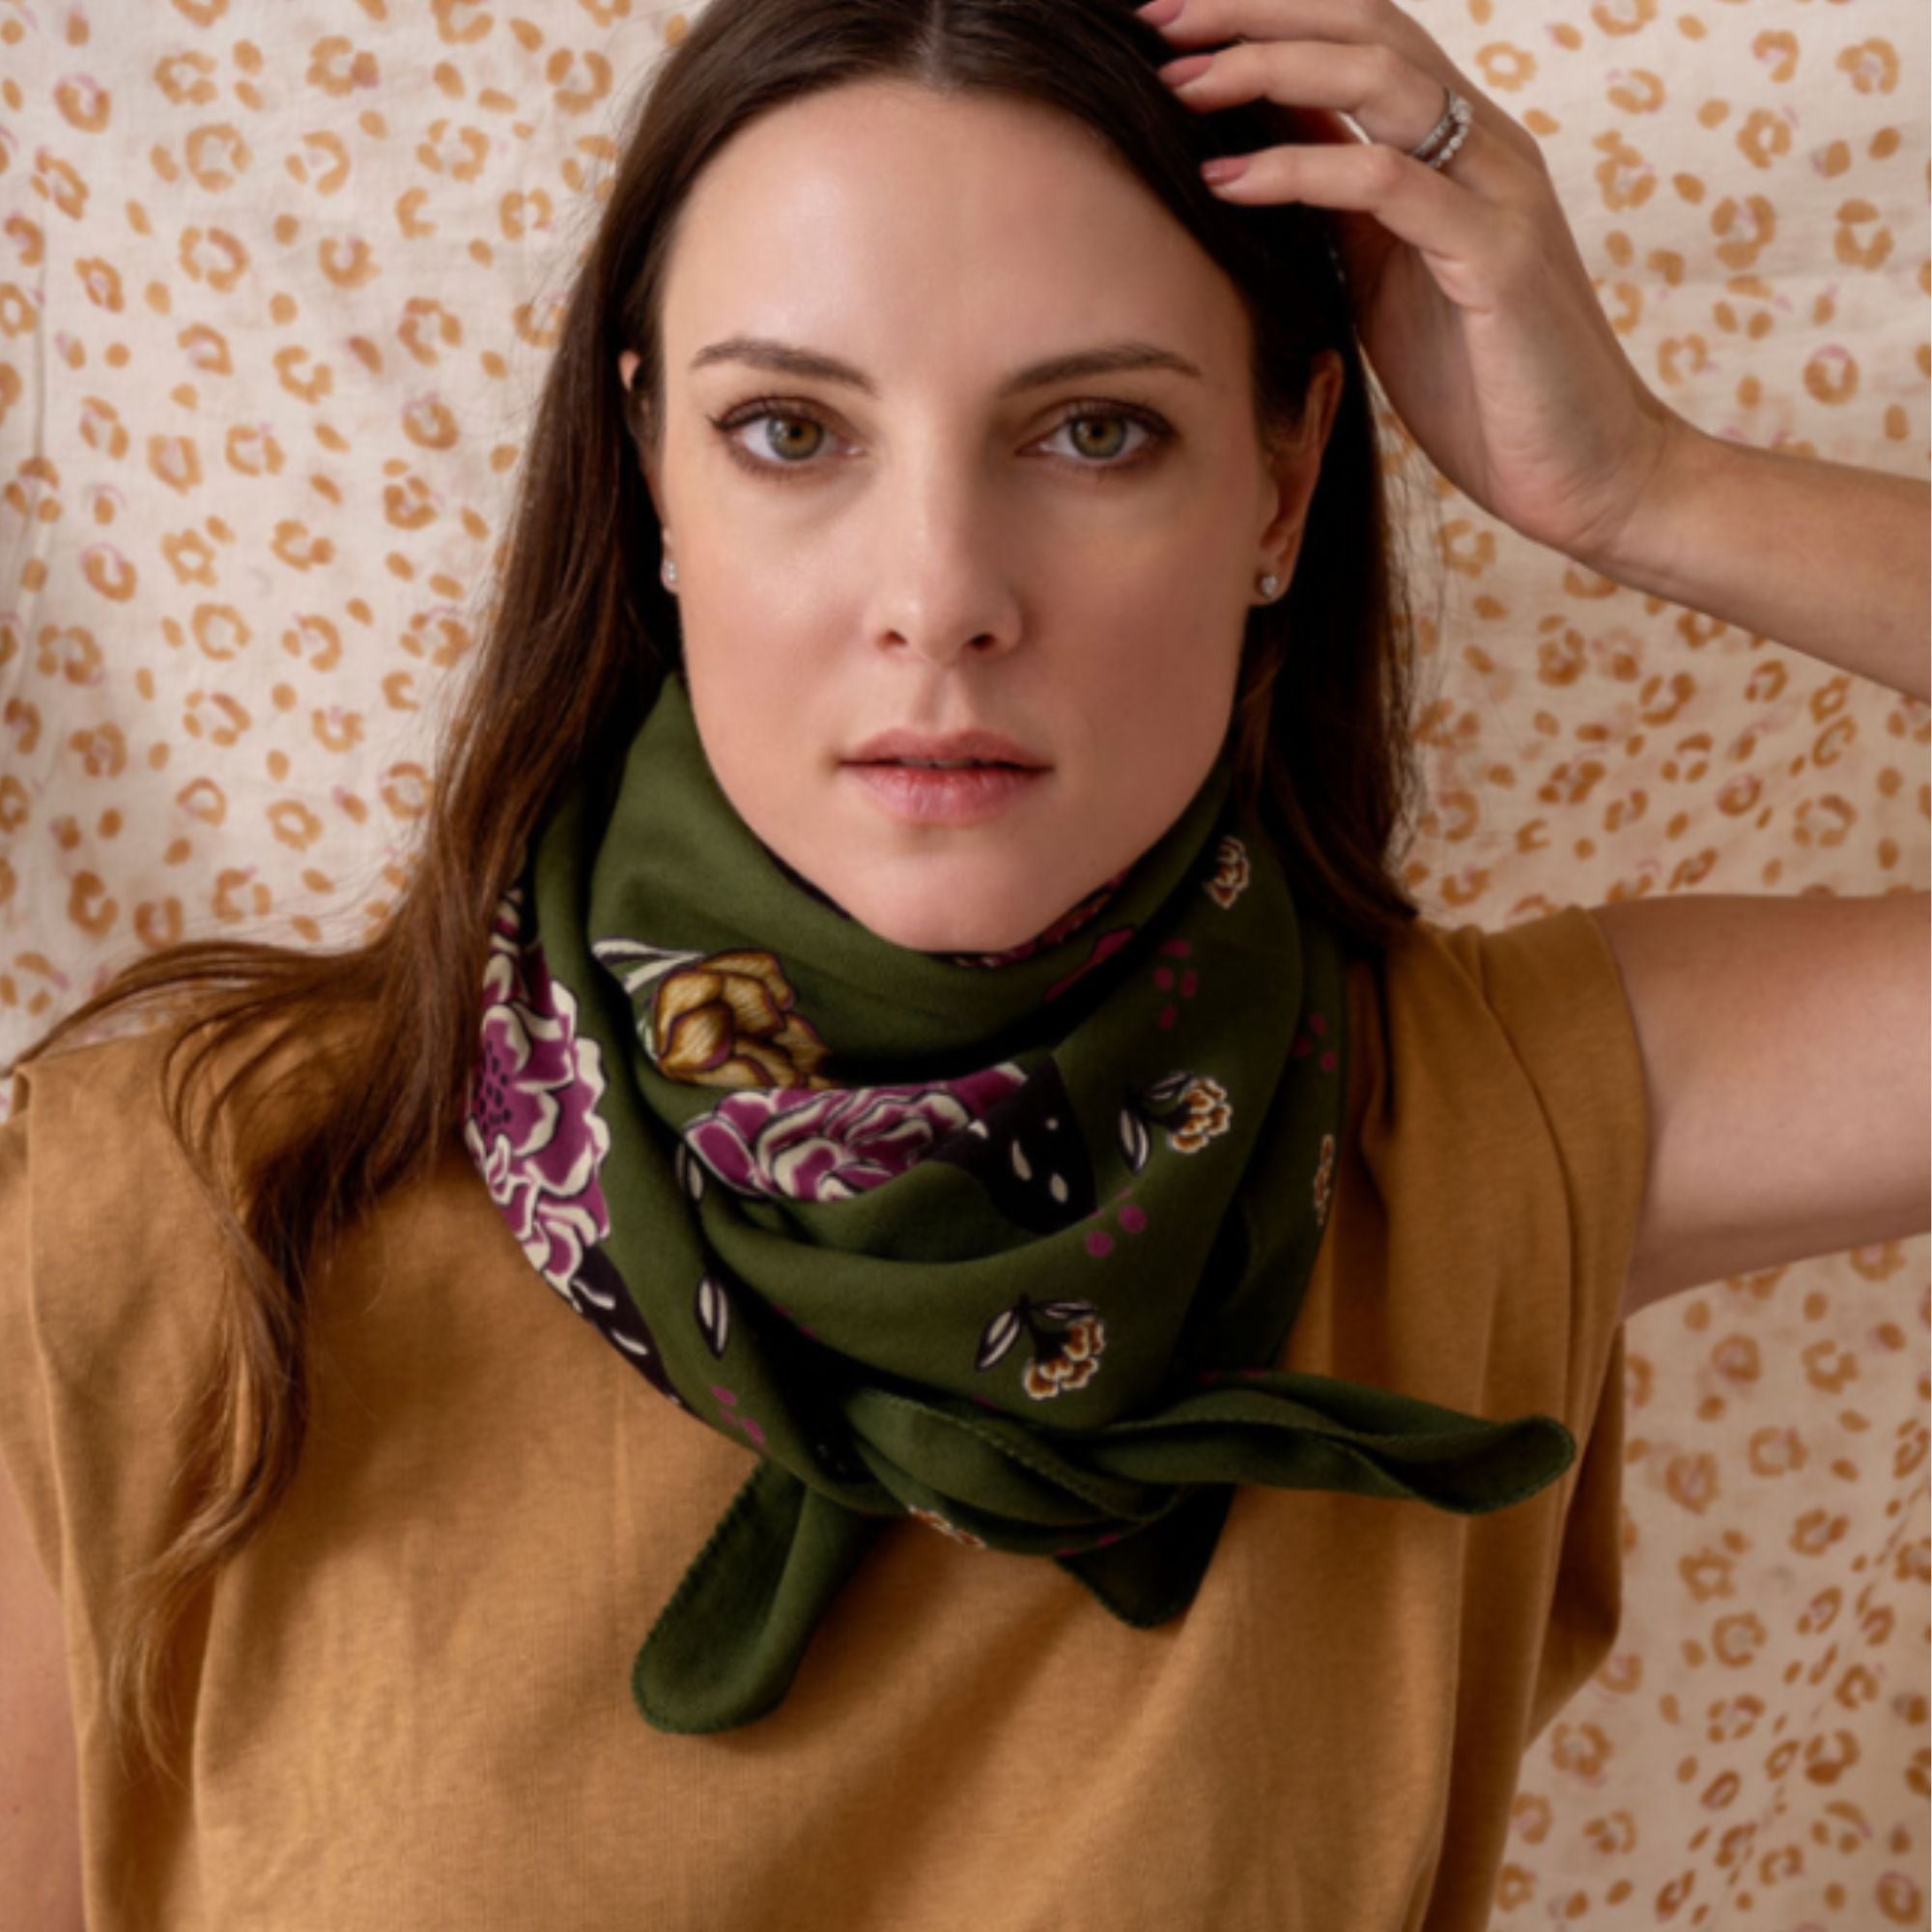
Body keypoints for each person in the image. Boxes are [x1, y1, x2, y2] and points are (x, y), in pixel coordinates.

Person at [2, 0, 1925, 1925]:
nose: (941, 598)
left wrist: (1640, 484)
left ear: (1279, 487)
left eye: (1096, 432)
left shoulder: (1469, 1134)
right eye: (789, 431)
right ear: (651, 467)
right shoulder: (178, 1197)